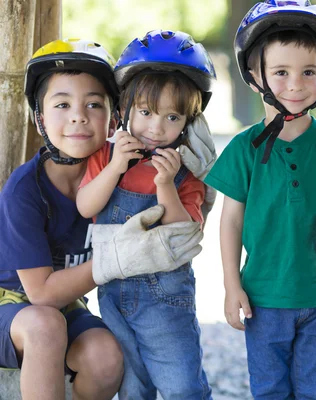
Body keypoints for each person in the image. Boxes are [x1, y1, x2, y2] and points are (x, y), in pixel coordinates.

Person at [0, 39, 203, 400]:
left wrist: (193, 172)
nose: (78, 115)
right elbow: (42, 294)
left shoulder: (128, 164)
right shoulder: (24, 191)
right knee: (45, 324)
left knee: (107, 355)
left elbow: (181, 220)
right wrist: (114, 261)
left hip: (69, 306)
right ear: (40, 118)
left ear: (115, 116)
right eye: (62, 104)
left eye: (94, 104)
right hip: (12, 306)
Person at [204, 1, 316, 398]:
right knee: (269, 390)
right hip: (263, 299)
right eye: (281, 72)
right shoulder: (242, 149)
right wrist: (232, 285)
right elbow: (229, 222)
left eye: (308, 72)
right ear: (255, 76)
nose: (296, 84)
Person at [76, 29, 216, 400]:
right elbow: (86, 206)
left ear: (188, 121)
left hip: (165, 295)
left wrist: (166, 182)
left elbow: (182, 232)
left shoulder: (185, 171)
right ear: (123, 111)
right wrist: (114, 168)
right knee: (132, 386)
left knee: (181, 383)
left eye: (172, 117)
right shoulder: (107, 158)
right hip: (113, 290)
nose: (156, 127)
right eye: (145, 112)